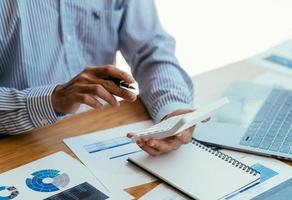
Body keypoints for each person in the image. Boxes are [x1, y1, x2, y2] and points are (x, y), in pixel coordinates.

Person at [0, 0, 194, 156]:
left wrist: (171, 112)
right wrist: (52, 99)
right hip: (19, 144)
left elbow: (150, 49)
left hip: (101, 133)